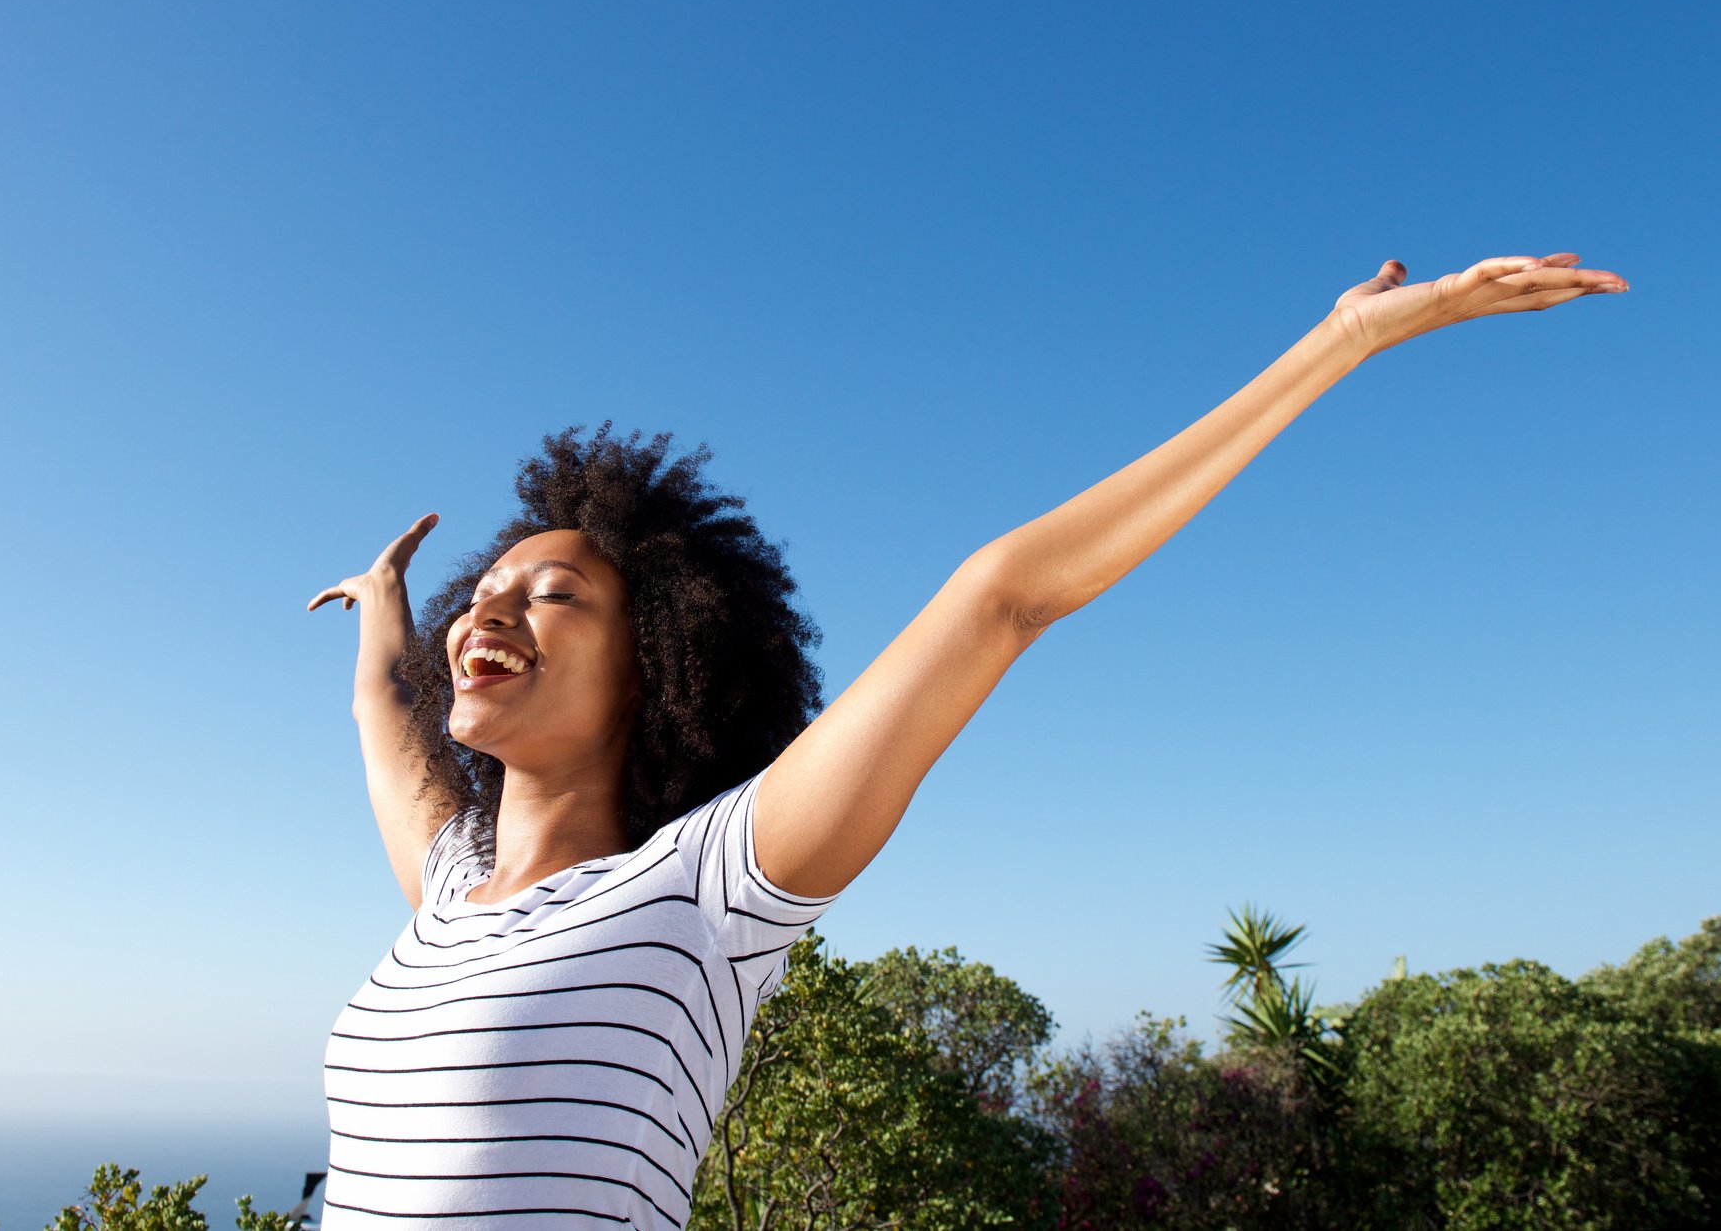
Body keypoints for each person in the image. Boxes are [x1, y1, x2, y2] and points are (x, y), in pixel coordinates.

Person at [305, 253, 1628, 1228]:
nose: (492, 610)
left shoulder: (702, 892)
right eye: (483, 595)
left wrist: (1336, 342)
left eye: (552, 595)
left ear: (658, 666)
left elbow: (1001, 597)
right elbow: (384, 718)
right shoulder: (448, 884)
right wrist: (385, 606)